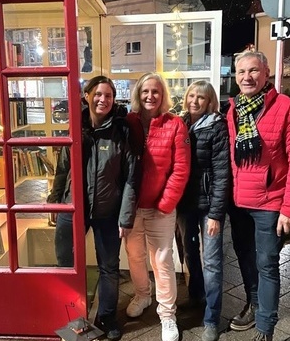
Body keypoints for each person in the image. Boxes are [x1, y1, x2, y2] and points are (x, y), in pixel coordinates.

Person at [225, 50, 290, 341]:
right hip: (239, 203)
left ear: (265, 75)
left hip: (269, 204)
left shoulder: (286, 108)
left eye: (253, 71)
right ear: (235, 77)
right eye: (241, 72)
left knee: (268, 264)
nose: (247, 77)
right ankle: (254, 305)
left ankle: (265, 326)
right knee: (246, 260)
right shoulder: (233, 109)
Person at [47, 76, 138, 341]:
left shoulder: (121, 131)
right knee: (66, 263)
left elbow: (131, 177)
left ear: (113, 99)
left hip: (108, 211)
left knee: (109, 267)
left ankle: (106, 317)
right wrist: (55, 201)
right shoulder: (75, 126)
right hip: (72, 207)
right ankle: (70, 315)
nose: (103, 99)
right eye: (98, 94)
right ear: (87, 95)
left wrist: (125, 216)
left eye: (108, 95)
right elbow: (63, 168)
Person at [123, 72, 191, 341]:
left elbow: (181, 169)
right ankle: (142, 295)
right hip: (132, 207)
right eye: (145, 92)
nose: (150, 96)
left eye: (155, 92)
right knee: (135, 257)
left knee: (162, 260)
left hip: (161, 207)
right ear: (138, 95)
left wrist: (166, 203)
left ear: (162, 95)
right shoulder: (128, 123)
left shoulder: (175, 125)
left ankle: (167, 315)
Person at [175, 80, 230, 341]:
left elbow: (222, 173)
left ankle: (211, 317)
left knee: (212, 262)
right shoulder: (182, 123)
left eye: (202, 98)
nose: (195, 101)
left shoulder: (217, 126)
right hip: (186, 204)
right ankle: (196, 295)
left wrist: (217, 214)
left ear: (210, 103)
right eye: (192, 96)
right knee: (188, 253)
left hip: (209, 205)